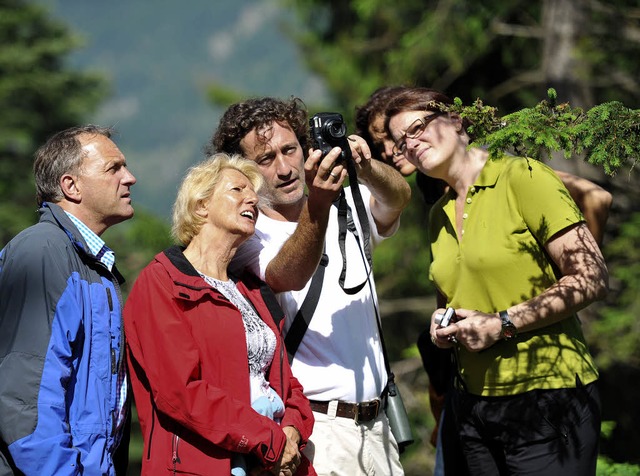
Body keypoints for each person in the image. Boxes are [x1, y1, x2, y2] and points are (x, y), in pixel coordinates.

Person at [355, 86, 613, 475]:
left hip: (547, 394)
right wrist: (443, 324)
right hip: (473, 407)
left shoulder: (522, 175)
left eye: (418, 126)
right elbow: (452, 300)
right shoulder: (438, 214)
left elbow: (591, 276)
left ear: (457, 121)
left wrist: (502, 323)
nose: (410, 143)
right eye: (399, 141)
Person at [210, 96, 411, 476]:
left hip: (379, 423)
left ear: (307, 149)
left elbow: (398, 198)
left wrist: (365, 168)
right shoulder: (248, 233)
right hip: (317, 430)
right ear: (244, 171)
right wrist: (317, 206)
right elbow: (287, 275)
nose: (285, 168)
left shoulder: (346, 204)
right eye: (266, 159)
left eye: (290, 150)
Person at [123, 153, 315, 476]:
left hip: (277, 461)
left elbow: (286, 383)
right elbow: (180, 392)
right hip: (204, 464)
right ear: (201, 206)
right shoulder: (162, 283)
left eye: (252, 192)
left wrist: (293, 429)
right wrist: (269, 440)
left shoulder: (251, 290)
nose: (252, 198)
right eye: (237, 190)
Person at [0, 125, 136, 475]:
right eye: (114, 168)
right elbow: (23, 401)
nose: (130, 178)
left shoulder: (92, 265)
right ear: (70, 186)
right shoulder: (43, 252)